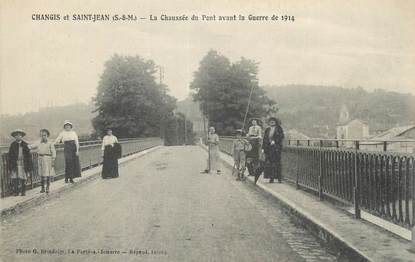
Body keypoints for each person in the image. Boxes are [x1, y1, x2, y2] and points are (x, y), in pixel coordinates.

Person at [30, 129, 56, 193]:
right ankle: (42, 188)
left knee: (47, 174)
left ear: (47, 136)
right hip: (40, 158)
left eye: (44, 135)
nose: (43, 136)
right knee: (41, 174)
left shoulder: (50, 143)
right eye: (42, 135)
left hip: (47, 159)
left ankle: (47, 187)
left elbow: (54, 152)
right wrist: (23, 145)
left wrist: (53, 160)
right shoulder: (38, 142)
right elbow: (31, 146)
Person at [8, 129, 33, 196]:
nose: (18, 136)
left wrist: (29, 167)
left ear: (22, 136)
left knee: (23, 177)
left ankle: (23, 191)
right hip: (15, 163)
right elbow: (10, 156)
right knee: (15, 178)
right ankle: (16, 191)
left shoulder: (25, 144)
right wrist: (10, 166)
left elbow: (29, 157)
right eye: (16, 135)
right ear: (14, 137)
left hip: (23, 163)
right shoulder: (12, 145)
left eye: (19, 135)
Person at [261, 117, 284, 183]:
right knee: (269, 163)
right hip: (268, 148)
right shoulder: (267, 129)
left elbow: (281, 136)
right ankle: (271, 178)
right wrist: (263, 148)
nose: (272, 122)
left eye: (273, 121)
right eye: (271, 121)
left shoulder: (279, 128)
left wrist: (275, 141)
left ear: (275, 122)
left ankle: (279, 178)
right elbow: (264, 139)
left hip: (276, 148)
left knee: (276, 163)